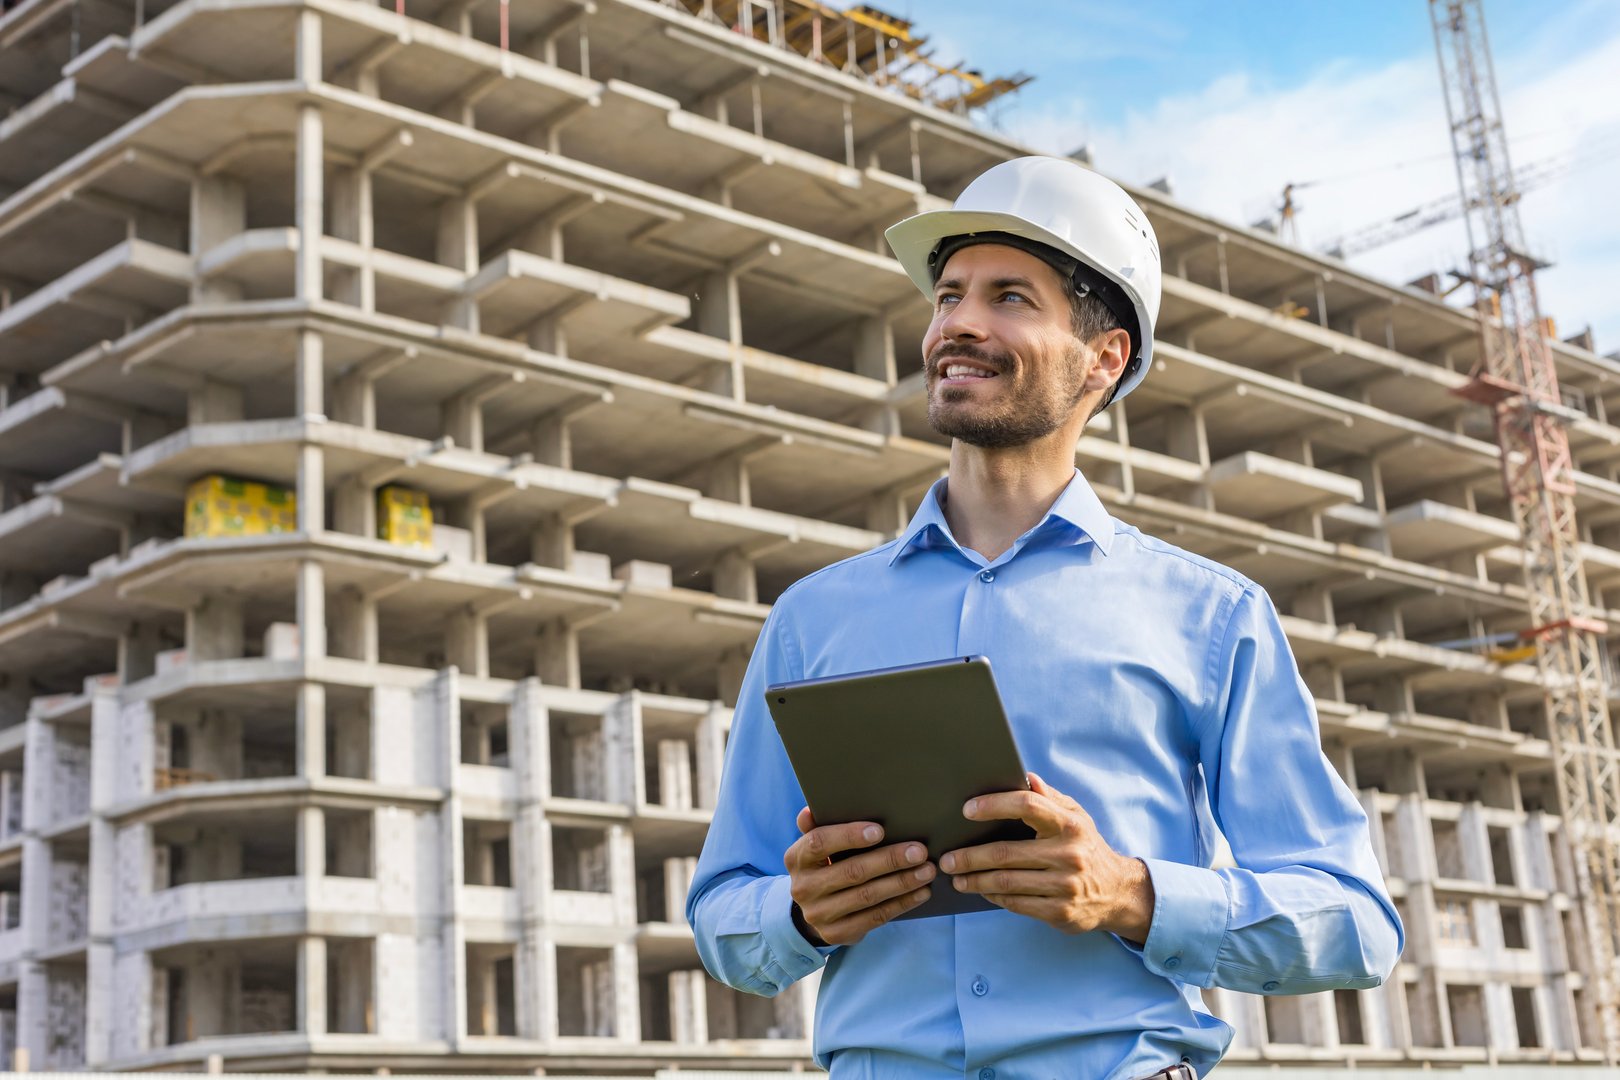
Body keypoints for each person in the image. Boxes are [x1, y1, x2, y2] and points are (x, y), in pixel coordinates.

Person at [686, 156, 1402, 1080]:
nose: (960, 325)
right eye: (949, 296)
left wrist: (1132, 895)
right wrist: (796, 913)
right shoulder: (810, 620)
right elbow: (722, 916)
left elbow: (1354, 922)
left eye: (1012, 298)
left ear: (1103, 360)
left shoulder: (1212, 617)